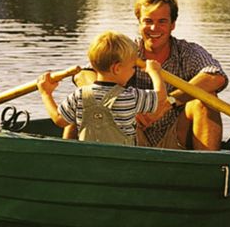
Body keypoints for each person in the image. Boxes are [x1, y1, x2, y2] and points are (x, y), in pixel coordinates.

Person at [74, 0, 228, 151]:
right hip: (129, 140)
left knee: (206, 100)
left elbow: (216, 76)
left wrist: (167, 103)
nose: (154, 28)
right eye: (148, 21)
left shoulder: (187, 52)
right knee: (86, 100)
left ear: (172, 25)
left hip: (176, 140)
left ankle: (205, 170)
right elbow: (83, 75)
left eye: (162, 21)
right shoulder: (125, 50)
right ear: (139, 23)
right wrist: (115, 100)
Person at [37, 30, 166, 145]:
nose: (134, 72)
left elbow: (59, 120)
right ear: (117, 68)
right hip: (122, 163)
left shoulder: (79, 95)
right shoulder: (130, 96)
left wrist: (46, 94)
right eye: (133, 67)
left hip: (89, 162)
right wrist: (155, 72)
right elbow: (161, 97)